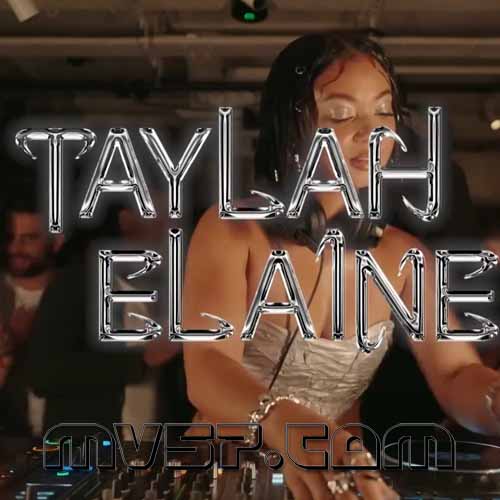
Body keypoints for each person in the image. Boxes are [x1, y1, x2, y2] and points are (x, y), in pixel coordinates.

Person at [180, 32, 500, 500]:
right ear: (292, 125)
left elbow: (456, 375)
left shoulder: (405, 258)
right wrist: (288, 424)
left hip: (333, 481)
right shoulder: (233, 230)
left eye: (383, 110)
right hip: (218, 477)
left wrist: (493, 396)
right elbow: (207, 367)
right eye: (342, 113)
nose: (373, 132)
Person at [0, 195, 63, 437]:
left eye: (29, 239)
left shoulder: (80, 294)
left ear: (56, 241)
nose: (15, 248)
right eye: (10, 238)